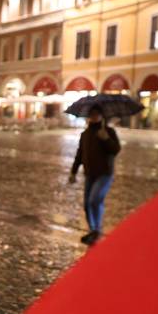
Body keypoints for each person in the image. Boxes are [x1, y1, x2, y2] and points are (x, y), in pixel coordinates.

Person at [69, 105, 121, 246]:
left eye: (97, 113)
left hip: (104, 173)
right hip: (90, 174)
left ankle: (96, 230)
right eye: (92, 114)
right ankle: (93, 230)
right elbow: (80, 154)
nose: (94, 116)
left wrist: (106, 139)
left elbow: (115, 150)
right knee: (87, 204)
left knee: (94, 200)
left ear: (101, 115)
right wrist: (73, 171)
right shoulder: (85, 134)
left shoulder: (108, 131)